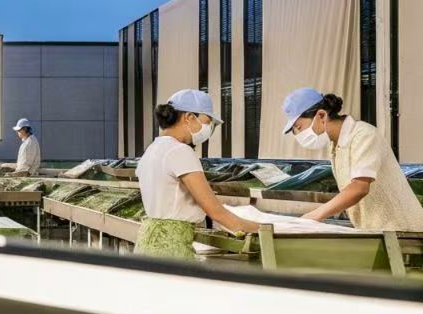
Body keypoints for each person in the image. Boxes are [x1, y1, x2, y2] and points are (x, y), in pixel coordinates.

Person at [135, 90, 260, 260]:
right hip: (171, 249)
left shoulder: (152, 150)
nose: (208, 129)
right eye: (207, 122)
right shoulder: (180, 150)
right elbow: (216, 213)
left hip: (149, 243)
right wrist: (265, 229)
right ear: (189, 117)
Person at [282, 87, 423, 231]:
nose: (298, 135)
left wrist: (313, 216)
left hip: (406, 231)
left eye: (299, 127)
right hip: (378, 232)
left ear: (322, 116)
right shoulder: (335, 146)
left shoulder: (363, 135)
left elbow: (359, 188)